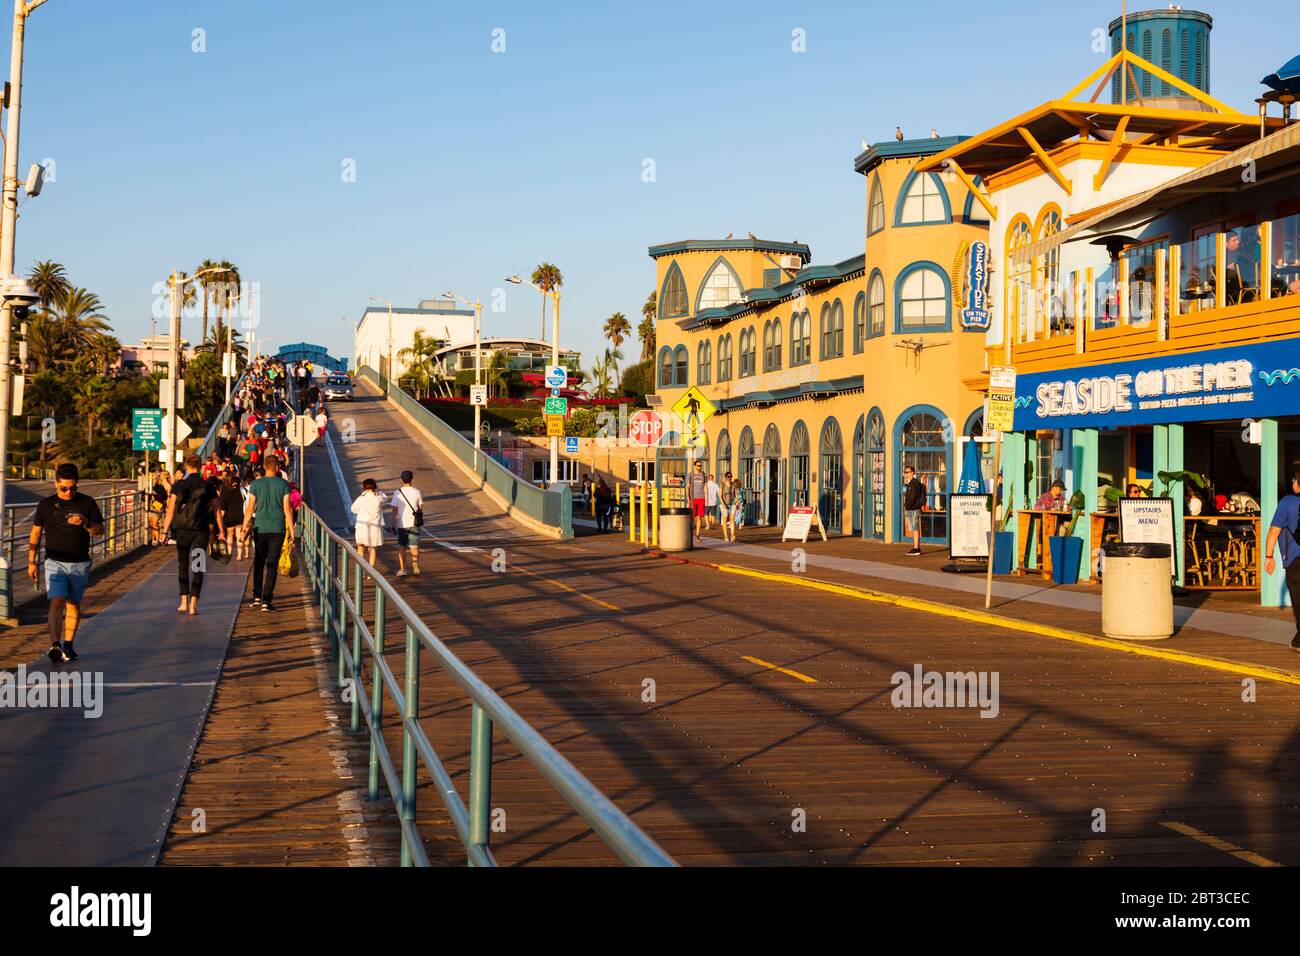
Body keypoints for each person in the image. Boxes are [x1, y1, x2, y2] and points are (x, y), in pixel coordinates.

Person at [29, 464, 104, 664]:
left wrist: (86, 523)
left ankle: (68, 644)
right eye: (64, 488)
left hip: (80, 563)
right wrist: (31, 561)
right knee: (57, 600)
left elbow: (100, 531)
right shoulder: (45, 505)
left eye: (73, 488)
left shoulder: (87, 503)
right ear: (56, 484)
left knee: (73, 604)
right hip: (54, 561)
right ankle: (55, 644)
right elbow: (35, 532)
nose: (69, 492)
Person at [162, 454, 223, 616]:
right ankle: (193, 604)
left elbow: (170, 510)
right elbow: (217, 510)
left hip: (182, 530)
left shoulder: (179, 485)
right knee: (198, 566)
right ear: (201, 465)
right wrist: (221, 531)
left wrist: (164, 532)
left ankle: (183, 602)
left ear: (186, 466)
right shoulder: (208, 485)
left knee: (182, 564)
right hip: (201, 531)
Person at [241, 454, 294, 612]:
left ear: (264, 467)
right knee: (272, 564)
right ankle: (266, 600)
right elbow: (287, 508)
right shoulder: (284, 484)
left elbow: (250, 507)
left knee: (258, 561)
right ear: (278, 468)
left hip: (260, 527)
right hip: (277, 528)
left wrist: (244, 527)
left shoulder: (256, 484)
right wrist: (291, 530)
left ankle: (256, 596)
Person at [1264, 472, 1300, 653]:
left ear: (1296, 484)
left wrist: (1269, 557)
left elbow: (1273, 532)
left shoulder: (1287, 502)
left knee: (1298, 598)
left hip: (1295, 560)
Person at [389, 470, 424, 576]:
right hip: (414, 523)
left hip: (401, 524)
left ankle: (403, 569)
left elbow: (394, 510)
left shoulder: (397, 492)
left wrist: (393, 524)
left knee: (402, 547)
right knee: (414, 546)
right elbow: (421, 508)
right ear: (412, 479)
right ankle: (415, 564)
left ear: (401, 480)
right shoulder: (417, 492)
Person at [352, 478, 385, 566]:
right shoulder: (379, 498)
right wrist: (378, 492)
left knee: (360, 548)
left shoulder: (361, 498)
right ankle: (371, 573)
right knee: (372, 549)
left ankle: (361, 571)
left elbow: (353, 509)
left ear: (363, 487)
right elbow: (385, 498)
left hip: (361, 528)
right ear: (375, 487)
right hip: (374, 528)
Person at [220, 471, 246, 561]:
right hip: (240, 516)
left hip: (229, 517)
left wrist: (220, 519)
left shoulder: (224, 490)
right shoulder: (241, 489)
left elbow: (223, 507)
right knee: (239, 536)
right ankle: (239, 555)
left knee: (230, 535)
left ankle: (230, 553)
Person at [903, 464, 925, 556]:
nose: (906, 474)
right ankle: (915, 547)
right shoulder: (910, 483)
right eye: (905, 472)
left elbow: (912, 497)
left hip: (914, 509)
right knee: (913, 529)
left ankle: (916, 548)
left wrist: (907, 506)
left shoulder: (914, 483)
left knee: (915, 529)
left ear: (912, 473)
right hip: (911, 509)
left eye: (908, 472)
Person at [688, 459, 708, 541]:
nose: (699, 467)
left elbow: (705, 486)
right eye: (698, 465)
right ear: (695, 466)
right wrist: (688, 497)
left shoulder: (703, 474)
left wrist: (707, 497)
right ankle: (689, 534)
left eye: (700, 465)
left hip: (701, 498)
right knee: (692, 517)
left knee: (699, 517)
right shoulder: (690, 474)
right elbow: (687, 486)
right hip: (693, 498)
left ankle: (697, 535)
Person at [719, 471, 739, 543]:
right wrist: (723, 503)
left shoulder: (733, 484)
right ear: (725, 477)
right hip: (724, 504)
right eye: (728, 476)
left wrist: (737, 502)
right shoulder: (722, 485)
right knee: (725, 520)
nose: (729, 478)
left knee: (732, 519)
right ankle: (725, 536)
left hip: (732, 503)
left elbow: (735, 494)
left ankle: (732, 535)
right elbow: (720, 495)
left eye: (730, 476)